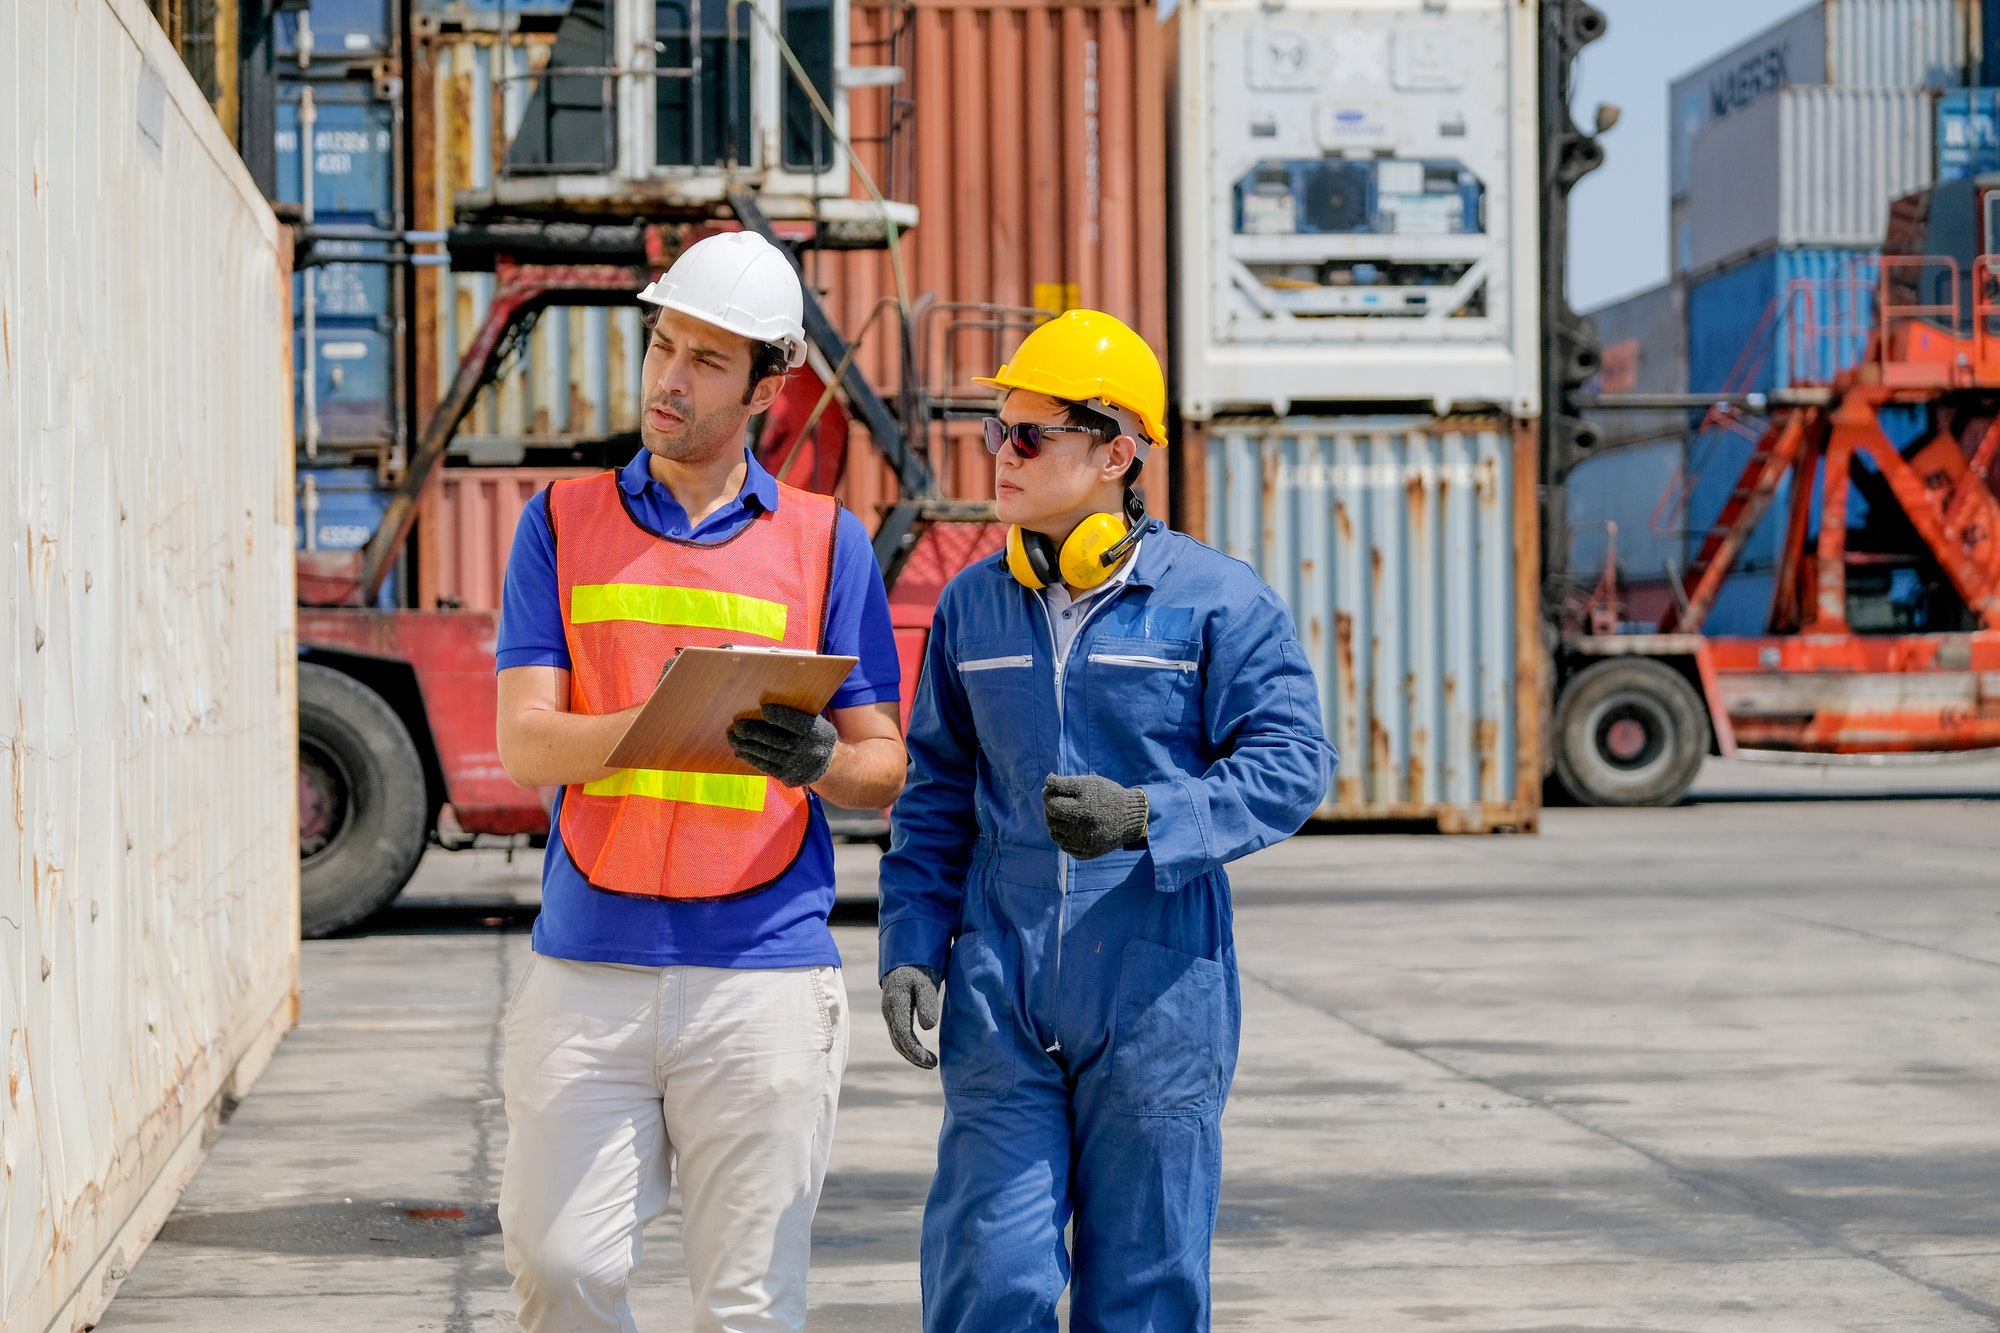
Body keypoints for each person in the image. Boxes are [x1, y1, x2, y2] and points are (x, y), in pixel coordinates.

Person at [876, 309, 1336, 1332]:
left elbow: (1295, 762)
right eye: (997, 429)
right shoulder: (971, 607)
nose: (999, 453)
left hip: (1157, 991)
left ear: (1113, 453)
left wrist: (1149, 816)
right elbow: (937, 788)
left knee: (1144, 1295)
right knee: (988, 1278)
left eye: (1027, 435)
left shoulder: (1215, 603)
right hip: (1001, 985)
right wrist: (910, 941)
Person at [491, 230, 908, 1333]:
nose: (668, 378)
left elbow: (884, 765)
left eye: (707, 360)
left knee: (748, 1305)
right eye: (662, 345)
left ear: (770, 384)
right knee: (558, 1264)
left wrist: (822, 762)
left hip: (762, 976)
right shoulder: (559, 524)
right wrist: (664, 723)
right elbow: (528, 745)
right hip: (588, 963)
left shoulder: (827, 543)